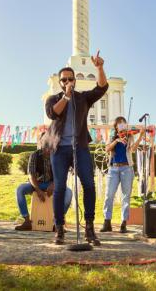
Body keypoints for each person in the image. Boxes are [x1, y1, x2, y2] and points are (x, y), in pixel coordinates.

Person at [44, 50, 108, 245]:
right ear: (60, 82)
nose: (67, 82)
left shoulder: (83, 98)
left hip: (79, 147)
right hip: (59, 149)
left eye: (70, 79)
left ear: (75, 80)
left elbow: (101, 88)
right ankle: (60, 229)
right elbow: (53, 115)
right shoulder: (53, 99)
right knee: (60, 187)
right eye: (64, 80)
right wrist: (66, 97)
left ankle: (89, 227)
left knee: (88, 184)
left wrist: (99, 67)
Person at [15, 133, 73, 231]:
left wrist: (54, 184)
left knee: (68, 193)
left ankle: (57, 222)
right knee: (20, 190)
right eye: (44, 142)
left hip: (52, 184)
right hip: (36, 184)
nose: (46, 145)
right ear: (41, 143)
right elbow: (31, 175)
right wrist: (37, 190)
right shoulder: (34, 155)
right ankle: (26, 221)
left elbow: (62, 174)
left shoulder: (57, 155)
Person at [100, 117, 145, 233]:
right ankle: (107, 222)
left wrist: (140, 136)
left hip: (127, 168)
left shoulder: (129, 136)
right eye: (119, 125)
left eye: (123, 124)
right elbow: (107, 149)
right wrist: (116, 141)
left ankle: (124, 222)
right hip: (113, 168)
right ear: (116, 127)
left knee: (126, 196)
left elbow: (133, 149)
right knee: (109, 195)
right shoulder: (112, 137)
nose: (122, 127)